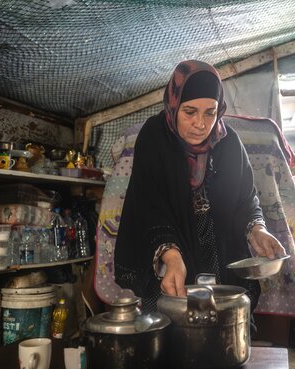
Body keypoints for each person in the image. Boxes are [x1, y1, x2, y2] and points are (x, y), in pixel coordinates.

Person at [114, 59, 285, 312]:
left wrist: (257, 229)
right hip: (168, 239)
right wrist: (171, 256)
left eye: (210, 112)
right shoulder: (154, 137)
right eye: (190, 112)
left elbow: (246, 200)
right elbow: (149, 205)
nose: (201, 124)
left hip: (218, 244)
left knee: (224, 321)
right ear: (174, 105)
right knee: (172, 319)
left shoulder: (229, 143)